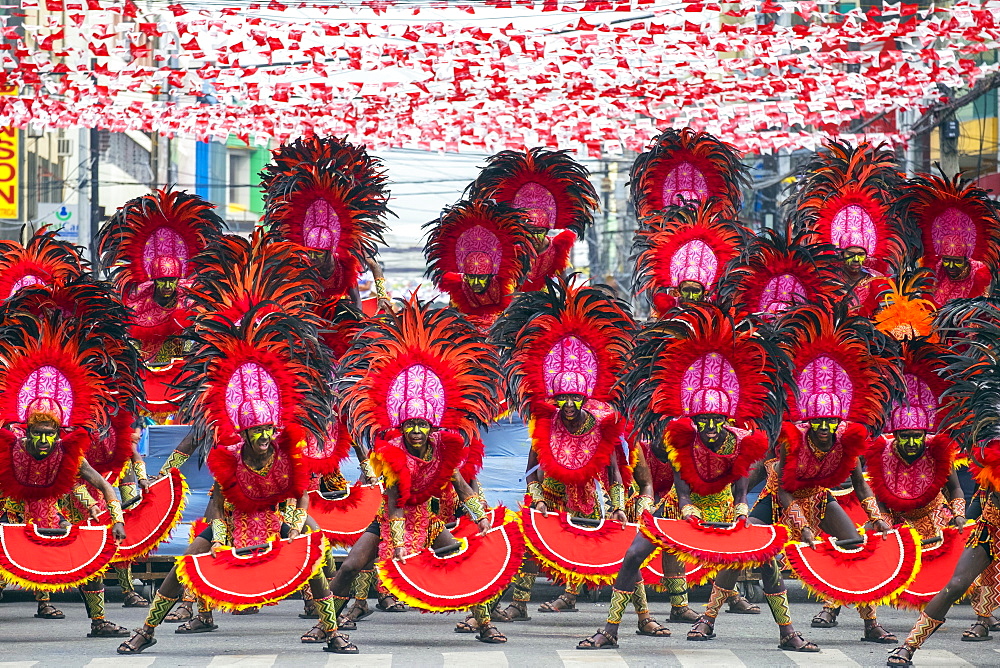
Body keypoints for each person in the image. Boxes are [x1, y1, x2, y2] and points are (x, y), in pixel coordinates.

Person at [577, 304, 816, 652]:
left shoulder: (740, 443)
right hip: (680, 507)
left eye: (713, 421)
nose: (707, 428)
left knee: (765, 559)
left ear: (725, 420)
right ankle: (610, 630)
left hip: (724, 506)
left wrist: (738, 510)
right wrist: (687, 509)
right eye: (700, 421)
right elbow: (682, 488)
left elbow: (740, 489)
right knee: (633, 554)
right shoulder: (682, 438)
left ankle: (788, 634)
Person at [116, 304, 351, 654]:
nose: (263, 437)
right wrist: (220, 536)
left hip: (276, 514)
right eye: (256, 431)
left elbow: (299, 492)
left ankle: (330, 631)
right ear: (245, 432)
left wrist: (297, 522)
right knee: (188, 560)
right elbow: (217, 501)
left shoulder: (287, 454)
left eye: (267, 430)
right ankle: (147, 630)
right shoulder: (229, 458)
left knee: (314, 553)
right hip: (235, 517)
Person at [326, 298, 507, 647]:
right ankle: (327, 626)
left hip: (429, 520)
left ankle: (485, 626)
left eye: (423, 425)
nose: (416, 431)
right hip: (389, 520)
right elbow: (393, 503)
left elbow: (460, 484)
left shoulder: (442, 450)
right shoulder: (391, 454)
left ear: (431, 426)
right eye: (410, 425)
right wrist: (396, 545)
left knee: (463, 565)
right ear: (402, 425)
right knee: (350, 567)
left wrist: (480, 516)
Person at [489, 279, 638, 619]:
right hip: (549, 494)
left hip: (584, 496)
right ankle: (518, 605)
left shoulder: (601, 423)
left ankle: (633, 614)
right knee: (529, 546)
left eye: (575, 398)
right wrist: (538, 496)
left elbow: (614, 470)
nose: (568, 405)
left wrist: (617, 507)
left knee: (602, 549)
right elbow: (530, 468)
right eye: (562, 398)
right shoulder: (545, 422)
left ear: (586, 397)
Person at [768, 303, 902, 642]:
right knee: (751, 552)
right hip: (776, 501)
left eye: (831, 422)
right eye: (819, 422)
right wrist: (801, 527)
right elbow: (783, 490)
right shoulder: (793, 442)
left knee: (854, 546)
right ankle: (708, 618)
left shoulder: (845, 442)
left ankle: (869, 624)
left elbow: (860, 483)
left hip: (818, 498)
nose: (825, 428)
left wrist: (876, 518)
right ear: (808, 422)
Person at [0, 316, 133, 638]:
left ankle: (99, 622)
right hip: (11, 518)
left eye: (50, 434)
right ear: (26, 431)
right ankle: (43, 602)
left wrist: (116, 519)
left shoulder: (66, 453)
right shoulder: (8, 449)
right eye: (38, 434)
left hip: (51, 517)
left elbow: (103, 484)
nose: (45, 441)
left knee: (92, 564)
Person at [887, 299, 1000, 666]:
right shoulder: (990, 434)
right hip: (991, 526)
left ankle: (983, 622)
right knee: (954, 585)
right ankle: (908, 646)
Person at [790, 139, 905, 319]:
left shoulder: (877, 280)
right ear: (841, 254)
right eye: (851, 254)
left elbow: (889, 315)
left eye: (860, 255)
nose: (856, 260)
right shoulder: (829, 280)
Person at [466, 147, 599, 292]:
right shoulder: (510, 250)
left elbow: (563, 284)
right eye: (530, 231)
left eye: (539, 231)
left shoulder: (557, 249)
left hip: (545, 303)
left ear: (547, 229)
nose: (535, 236)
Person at [424, 198, 535, 332]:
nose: (475, 282)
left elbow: (512, 318)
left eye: (481, 277)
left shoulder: (505, 286)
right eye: (471, 276)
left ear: (490, 276)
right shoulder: (459, 289)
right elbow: (454, 317)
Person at [896, 172, 998, 305]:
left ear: (966, 258)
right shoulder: (936, 270)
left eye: (956, 262)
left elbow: (981, 313)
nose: (951, 267)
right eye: (946, 261)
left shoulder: (979, 274)